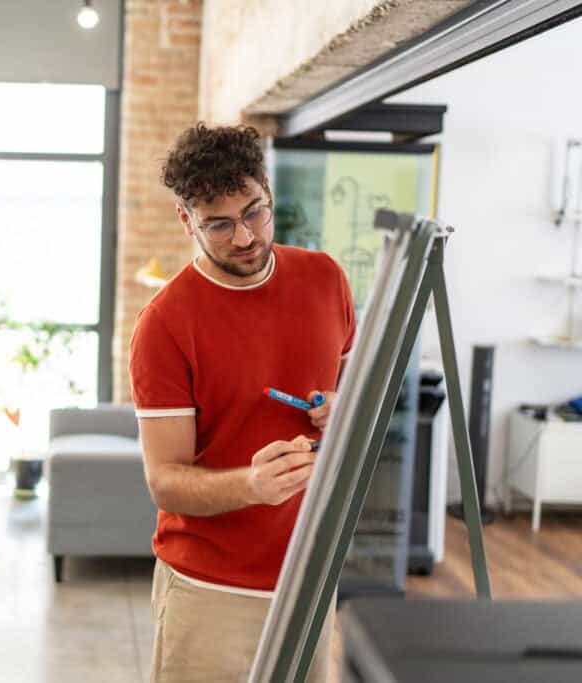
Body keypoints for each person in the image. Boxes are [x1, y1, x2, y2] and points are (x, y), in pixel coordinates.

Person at [130, 123, 356, 683]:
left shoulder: (325, 279)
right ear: (187, 220)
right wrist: (249, 487)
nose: (245, 237)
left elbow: (353, 389)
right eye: (220, 224)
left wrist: (341, 404)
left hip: (310, 574)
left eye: (255, 211)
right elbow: (165, 481)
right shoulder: (165, 325)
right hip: (211, 590)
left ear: (268, 191)